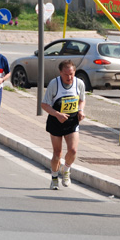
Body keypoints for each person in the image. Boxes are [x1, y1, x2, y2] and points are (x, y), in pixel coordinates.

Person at [41, 60, 86, 190]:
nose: (69, 77)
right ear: (60, 73)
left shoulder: (79, 83)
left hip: (72, 121)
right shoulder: (54, 84)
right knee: (57, 153)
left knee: (73, 150)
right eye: (66, 74)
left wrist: (80, 110)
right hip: (56, 121)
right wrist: (57, 114)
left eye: (71, 74)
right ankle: (54, 177)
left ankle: (66, 170)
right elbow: (44, 104)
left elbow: (82, 100)